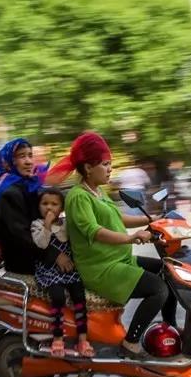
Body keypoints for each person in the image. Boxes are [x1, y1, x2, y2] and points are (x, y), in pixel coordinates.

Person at [50, 132, 177, 360]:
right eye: (105, 164)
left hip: (118, 259)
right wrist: (132, 238)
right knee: (158, 289)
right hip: (101, 267)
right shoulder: (79, 197)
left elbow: (119, 218)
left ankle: (171, 329)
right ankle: (131, 343)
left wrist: (152, 220)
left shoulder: (98, 191)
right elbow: (95, 232)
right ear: (88, 168)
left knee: (169, 272)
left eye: (110, 164)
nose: (110, 169)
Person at [0, 138, 68, 276]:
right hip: (25, 263)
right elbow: (22, 236)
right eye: (22, 156)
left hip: (41, 252)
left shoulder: (29, 186)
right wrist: (56, 255)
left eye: (30, 155)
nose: (28, 161)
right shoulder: (9, 194)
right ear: (10, 161)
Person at [31, 188, 94, 358]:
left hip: (69, 269)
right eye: (45, 204)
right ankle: (57, 338)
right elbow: (42, 244)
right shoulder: (37, 225)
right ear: (38, 206)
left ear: (62, 208)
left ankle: (82, 339)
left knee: (79, 297)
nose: (49, 208)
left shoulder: (66, 224)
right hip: (49, 269)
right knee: (57, 297)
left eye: (54, 204)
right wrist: (47, 224)